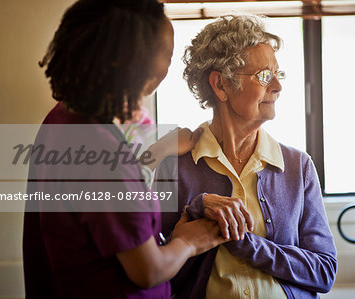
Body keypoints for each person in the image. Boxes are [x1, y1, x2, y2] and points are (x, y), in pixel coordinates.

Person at [22, 0, 226, 298]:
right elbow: (148, 271)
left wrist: (158, 152)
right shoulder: (100, 151)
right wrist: (188, 242)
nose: (169, 67)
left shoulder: (64, 118)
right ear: (133, 63)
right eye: (166, 53)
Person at [158, 15, 337, 299]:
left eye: (278, 74)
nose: (277, 87)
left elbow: (324, 271)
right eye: (264, 75)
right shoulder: (173, 167)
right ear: (221, 86)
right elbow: (156, 272)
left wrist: (245, 243)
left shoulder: (297, 166)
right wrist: (195, 214)